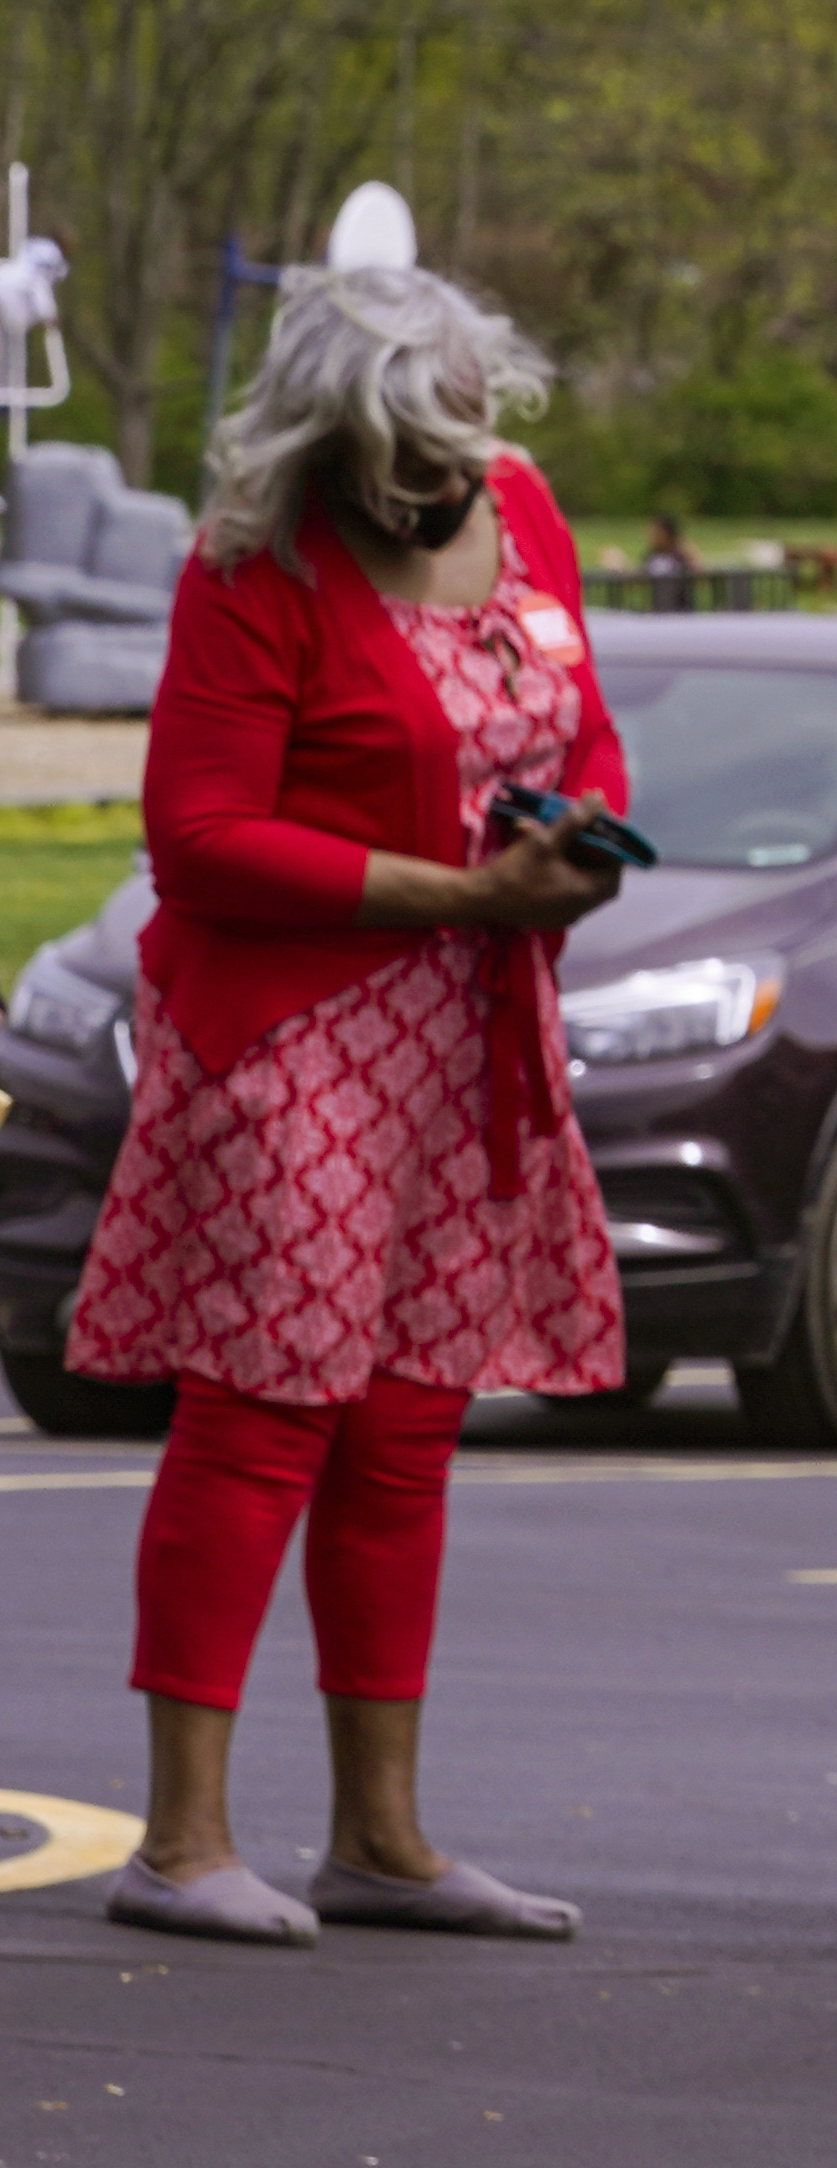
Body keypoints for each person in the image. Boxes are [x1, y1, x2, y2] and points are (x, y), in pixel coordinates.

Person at [89, 262, 631, 1948]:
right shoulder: (255, 562)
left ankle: (380, 1839)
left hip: (468, 1034)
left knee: (407, 1426)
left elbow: (587, 732)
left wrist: (582, 847)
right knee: (263, 1415)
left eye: (462, 443)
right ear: (331, 438)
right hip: (295, 1039)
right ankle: (182, 1842)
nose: (445, 485)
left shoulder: (525, 509)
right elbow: (201, 838)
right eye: (406, 458)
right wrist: (454, 894)